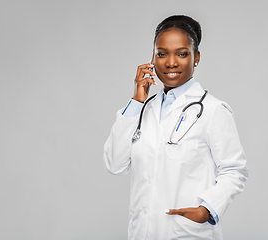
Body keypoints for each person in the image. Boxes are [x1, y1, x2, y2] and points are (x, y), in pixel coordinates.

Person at [104, 15, 248, 240]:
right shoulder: (141, 110)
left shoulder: (212, 110)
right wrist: (136, 101)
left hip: (187, 234)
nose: (171, 62)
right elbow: (114, 163)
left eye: (182, 54)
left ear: (196, 57)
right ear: (153, 58)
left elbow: (234, 170)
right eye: (161, 54)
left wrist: (208, 209)